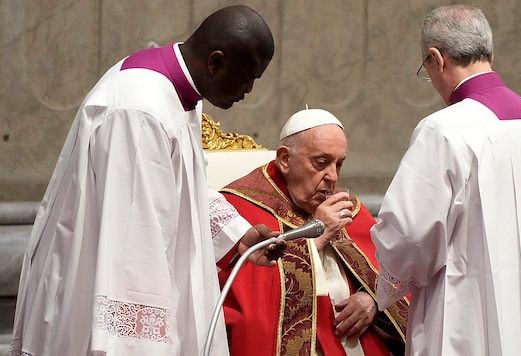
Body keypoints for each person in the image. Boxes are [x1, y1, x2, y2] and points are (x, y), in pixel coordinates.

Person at [9, 5, 286, 356]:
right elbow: (132, 245)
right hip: (111, 306)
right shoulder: (140, 111)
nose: (249, 89)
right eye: (249, 77)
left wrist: (238, 235)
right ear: (216, 62)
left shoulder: (178, 92)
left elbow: (184, 184)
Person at [370, 5, 521, 356]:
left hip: (470, 327)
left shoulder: (444, 131)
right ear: (490, 54)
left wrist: (385, 281)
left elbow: (408, 236)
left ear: (437, 59)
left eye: (427, 69)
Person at [217, 108, 408, 355]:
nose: (332, 177)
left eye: (339, 164)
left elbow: (395, 274)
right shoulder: (239, 210)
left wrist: (373, 300)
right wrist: (316, 238)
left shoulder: (346, 207)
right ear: (285, 159)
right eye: (321, 163)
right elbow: (249, 300)